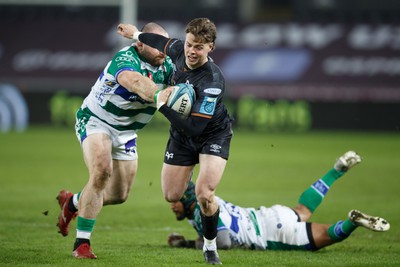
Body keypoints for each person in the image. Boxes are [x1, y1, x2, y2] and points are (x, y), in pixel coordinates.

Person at [117, 18, 233, 265]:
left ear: (210, 47)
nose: (191, 51)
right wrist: (136, 33)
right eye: (190, 44)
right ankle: (192, 178)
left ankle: (210, 246)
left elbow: (195, 127)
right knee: (171, 195)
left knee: (204, 193)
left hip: (212, 135)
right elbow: (159, 41)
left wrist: (161, 104)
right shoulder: (180, 50)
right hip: (181, 136)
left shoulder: (212, 81)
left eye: (199, 47)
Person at [56, 22, 174, 259]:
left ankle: (73, 203)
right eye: (156, 45)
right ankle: (82, 244)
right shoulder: (125, 59)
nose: (163, 50)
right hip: (96, 121)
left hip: (127, 132)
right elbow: (136, 82)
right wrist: (161, 94)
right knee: (101, 170)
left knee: (119, 195)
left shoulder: (168, 65)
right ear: (139, 43)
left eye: (165, 44)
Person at [167, 151, 390, 251]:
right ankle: (335, 172)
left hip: (271, 235)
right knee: (302, 209)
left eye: (175, 199)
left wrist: (187, 245)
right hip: (269, 215)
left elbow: (222, 241)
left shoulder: (200, 211)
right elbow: (212, 230)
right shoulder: (206, 201)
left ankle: (353, 222)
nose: (171, 203)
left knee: (326, 236)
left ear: (187, 199)